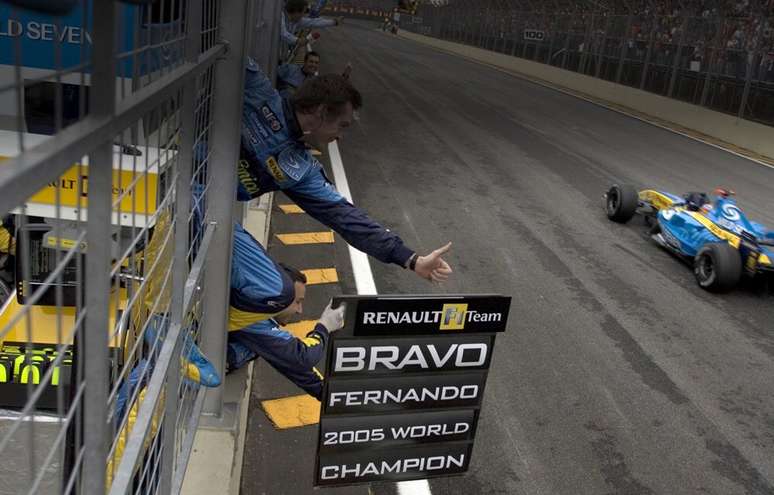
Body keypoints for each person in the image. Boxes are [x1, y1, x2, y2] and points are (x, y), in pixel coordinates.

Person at [238, 60, 453, 283]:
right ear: (321, 111)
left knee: (275, 289)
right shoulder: (257, 90)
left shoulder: (301, 170)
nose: (340, 137)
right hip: (199, 175)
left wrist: (412, 259)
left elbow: (346, 218)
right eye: (342, 125)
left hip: (207, 203)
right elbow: (222, 43)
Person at [227, 265, 345, 399]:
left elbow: (289, 362)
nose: (300, 310)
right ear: (280, 296)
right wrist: (324, 328)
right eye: (297, 302)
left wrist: (327, 394)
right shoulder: (252, 320)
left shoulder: (255, 308)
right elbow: (301, 356)